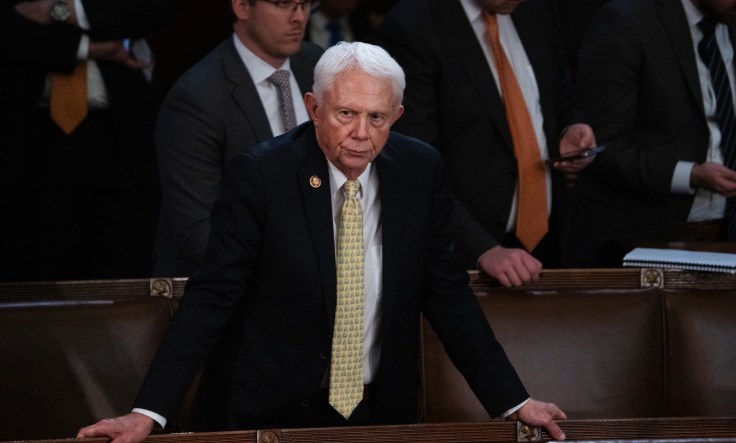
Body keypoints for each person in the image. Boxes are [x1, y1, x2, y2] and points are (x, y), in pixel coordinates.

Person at [77, 42, 567, 441]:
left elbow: (447, 294)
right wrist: (149, 411)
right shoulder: (262, 175)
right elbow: (212, 296)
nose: (360, 134)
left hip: (380, 416)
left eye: (377, 118)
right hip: (266, 417)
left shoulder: (419, 170)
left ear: (397, 115)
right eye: (346, 114)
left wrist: (514, 401)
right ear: (313, 108)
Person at [374, 0, 597, 287]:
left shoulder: (534, 10)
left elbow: (560, 93)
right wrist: (480, 249)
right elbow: (412, 165)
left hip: (550, 241)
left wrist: (571, 126)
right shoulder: (413, 26)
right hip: (467, 260)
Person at [0, 0, 170, 283]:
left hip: (121, 137)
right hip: (24, 140)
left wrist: (62, 10)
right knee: (33, 281)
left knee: (123, 280)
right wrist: (88, 49)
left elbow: (153, 9)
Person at [152, 0, 323, 277]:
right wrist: (298, 267)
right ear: (242, 7)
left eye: (304, 4)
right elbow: (198, 234)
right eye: (283, 4)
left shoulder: (316, 65)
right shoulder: (196, 98)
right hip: (229, 290)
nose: (299, 17)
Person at [563, 0, 736, 267]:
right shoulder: (627, 21)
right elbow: (601, 147)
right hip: (642, 245)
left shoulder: (729, 23)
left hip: (725, 241)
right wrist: (689, 175)